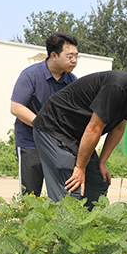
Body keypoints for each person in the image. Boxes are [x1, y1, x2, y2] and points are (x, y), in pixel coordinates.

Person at [32, 70, 127, 209]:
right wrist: (80, 167)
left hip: (77, 136)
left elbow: (118, 129)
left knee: (98, 181)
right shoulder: (117, 85)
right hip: (54, 127)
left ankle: (92, 226)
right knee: (72, 184)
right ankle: (66, 232)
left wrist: (102, 161)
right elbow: (94, 128)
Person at [10, 32, 79, 196]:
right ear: (54, 55)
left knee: (63, 193)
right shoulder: (30, 75)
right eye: (69, 56)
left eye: (76, 56)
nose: (74, 60)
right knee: (30, 195)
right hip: (30, 143)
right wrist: (44, 125)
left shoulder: (72, 81)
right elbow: (17, 107)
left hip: (59, 145)